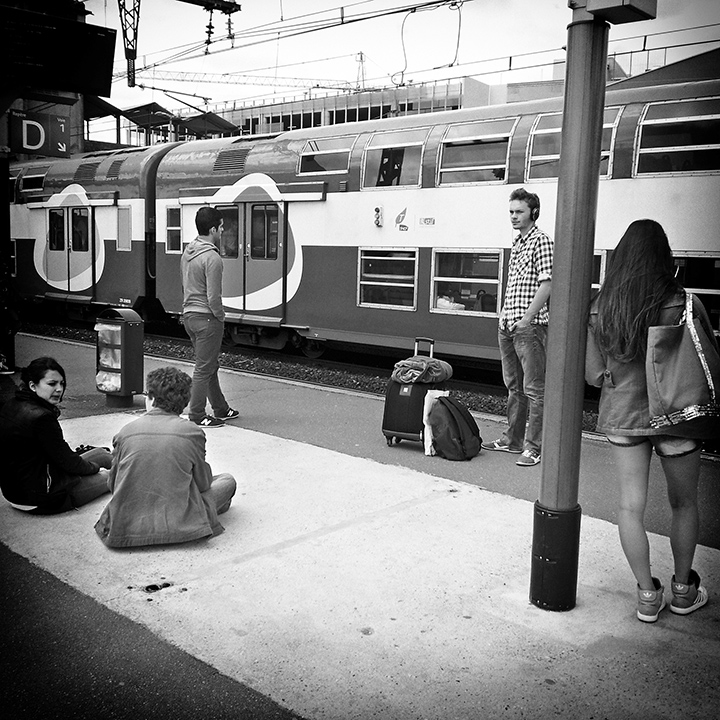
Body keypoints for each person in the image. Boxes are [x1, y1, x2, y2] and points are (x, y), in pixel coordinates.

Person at [586, 219, 713, 623]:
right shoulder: (684, 302)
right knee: (684, 503)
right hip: (676, 417)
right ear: (664, 256)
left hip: (624, 416)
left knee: (630, 507)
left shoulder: (600, 306)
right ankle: (683, 590)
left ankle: (646, 596)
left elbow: (593, 374)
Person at [94, 366, 237, 548]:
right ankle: (214, 509)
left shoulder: (125, 432)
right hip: (180, 524)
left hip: (124, 527)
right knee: (227, 481)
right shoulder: (192, 432)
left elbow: (113, 484)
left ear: (151, 399)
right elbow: (203, 483)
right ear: (184, 403)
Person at [481, 188, 553, 467]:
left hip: (530, 327)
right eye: (511, 211)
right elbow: (515, 286)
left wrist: (526, 319)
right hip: (508, 325)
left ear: (533, 212)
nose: (513, 216)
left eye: (519, 211)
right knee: (514, 387)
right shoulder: (518, 243)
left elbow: (547, 284)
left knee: (534, 389)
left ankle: (533, 448)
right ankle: (513, 440)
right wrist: (504, 316)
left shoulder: (542, 242)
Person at [0, 356, 112, 514]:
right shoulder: (42, 418)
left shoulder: (11, 404)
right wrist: (96, 469)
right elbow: (68, 461)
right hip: (45, 498)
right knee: (114, 476)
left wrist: (90, 466)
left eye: (62, 383)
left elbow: (61, 457)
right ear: (33, 385)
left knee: (102, 454)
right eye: (52, 384)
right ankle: (136, 469)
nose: (59, 389)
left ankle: (130, 463)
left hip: (15, 492)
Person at [181, 206, 239, 428]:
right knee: (204, 368)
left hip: (190, 316)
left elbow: (183, 285)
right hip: (207, 319)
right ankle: (197, 414)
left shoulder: (188, 252)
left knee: (209, 365)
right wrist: (220, 316)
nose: (223, 231)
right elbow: (214, 296)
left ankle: (221, 409)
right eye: (222, 227)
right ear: (213, 229)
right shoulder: (212, 257)